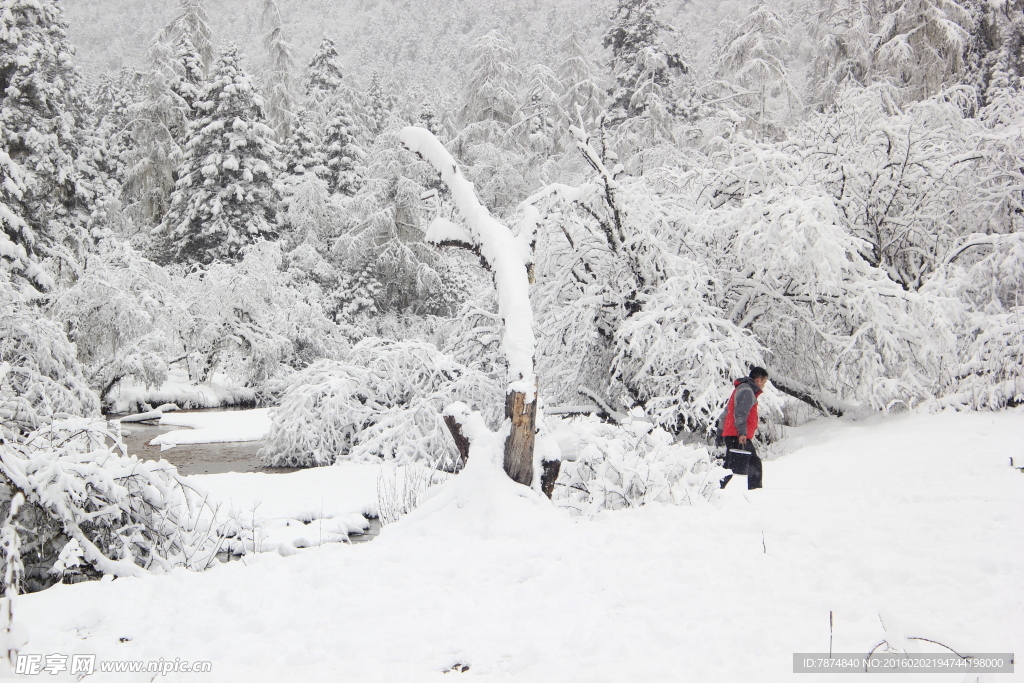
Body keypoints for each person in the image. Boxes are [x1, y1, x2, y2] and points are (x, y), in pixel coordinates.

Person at [718, 367, 768, 490]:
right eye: (764, 381)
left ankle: (713, 488)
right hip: (737, 434)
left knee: (730, 465)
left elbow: (727, 411)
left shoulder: (742, 388)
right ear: (758, 379)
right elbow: (740, 413)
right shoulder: (747, 391)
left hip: (733, 433)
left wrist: (721, 430)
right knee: (754, 463)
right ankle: (755, 491)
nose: (764, 385)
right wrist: (742, 433)